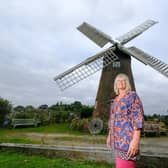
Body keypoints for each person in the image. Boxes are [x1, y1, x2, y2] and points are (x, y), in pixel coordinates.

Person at [106, 73, 144, 168]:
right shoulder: (115, 100)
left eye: (123, 80)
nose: (121, 82)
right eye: (118, 80)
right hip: (116, 142)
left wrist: (135, 140)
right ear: (116, 84)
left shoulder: (132, 96)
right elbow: (112, 119)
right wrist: (109, 135)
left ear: (127, 83)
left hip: (127, 141)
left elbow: (138, 118)